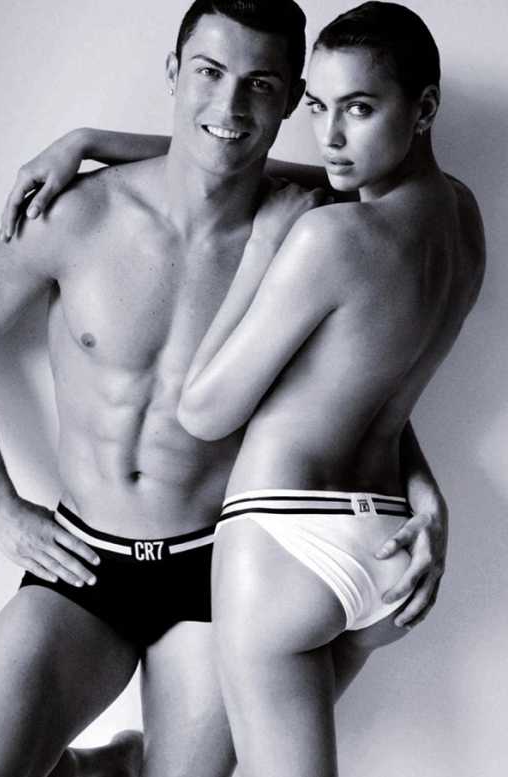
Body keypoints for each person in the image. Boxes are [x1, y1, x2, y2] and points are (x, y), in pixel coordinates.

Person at [0, 2, 448, 777]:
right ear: (174, 71)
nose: (230, 105)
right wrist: (0, 503)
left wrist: (426, 496)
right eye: (208, 71)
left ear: (290, 99)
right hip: (84, 564)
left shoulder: (305, 232)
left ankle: (130, 761)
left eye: (260, 84)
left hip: (216, 571)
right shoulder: (78, 214)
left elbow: (360, 394)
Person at [174, 3, 484, 776]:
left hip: (283, 545)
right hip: (389, 543)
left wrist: (262, 249)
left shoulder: (330, 238)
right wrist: (94, 142)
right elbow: (371, 390)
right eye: (317, 106)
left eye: (359, 108)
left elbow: (204, 410)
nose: (330, 137)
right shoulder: (465, 219)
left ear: (424, 108)